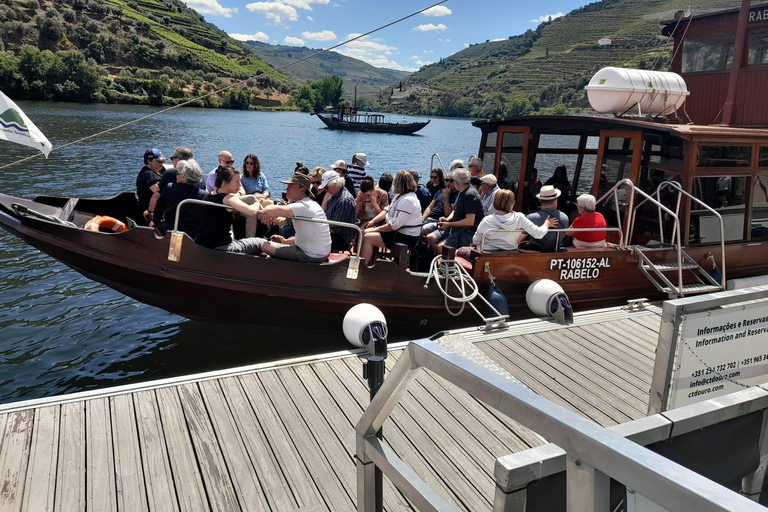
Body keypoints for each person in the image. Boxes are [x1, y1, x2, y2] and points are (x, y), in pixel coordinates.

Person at [256, 173, 332, 263]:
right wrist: (286, 241)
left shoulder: (303, 206)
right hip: (321, 253)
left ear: (302, 190)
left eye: (291, 186)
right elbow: (309, 236)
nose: (287, 189)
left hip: (311, 255)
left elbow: (269, 209)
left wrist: (269, 213)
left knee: (263, 245)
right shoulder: (310, 204)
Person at [359, 170, 422, 266]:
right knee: (365, 231)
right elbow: (386, 210)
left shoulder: (408, 201)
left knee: (368, 237)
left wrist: (376, 229)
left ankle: (361, 267)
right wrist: (372, 222)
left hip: (404, 236)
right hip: (397, 231)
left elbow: (394, 225)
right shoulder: (399, 197)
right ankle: (368, 264)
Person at [195, 166, 263, 254]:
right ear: (224, 183)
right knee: (261, 243)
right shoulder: (228, 199)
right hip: (223, 247)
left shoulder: (209, 195)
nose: (239, 185)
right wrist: (258, 203)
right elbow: (251, 211)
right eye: (237, 182)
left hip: (203, 244)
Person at [467, 189, 557, 253]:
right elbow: (539, 234)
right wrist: (547, 224)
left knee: (460, 251)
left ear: (494, 203)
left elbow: (476, 240)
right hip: (510, 253)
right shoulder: (520, 218)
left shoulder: (487, 220)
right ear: (512, 203)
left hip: (487, 255)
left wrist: (473, 244)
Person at [426, 169, 484, 253]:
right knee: (430, 238)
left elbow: (470, 221)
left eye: (452, 180)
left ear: (457, 182)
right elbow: (455, 210)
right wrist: (447, 219)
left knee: (440, 248)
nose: (451, 183)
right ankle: (442, 258)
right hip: (454, 227)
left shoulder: (469, 195)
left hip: (465, 231)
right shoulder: (461, 191)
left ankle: (445, 260)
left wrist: (449, 224)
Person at [153, 158, 206, 237]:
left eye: (177, 172)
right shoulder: (204, 195)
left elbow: (158, 211)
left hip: (170, 230)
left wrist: (157, 223)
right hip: (193, 234)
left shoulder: (169, 188)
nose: (175, 174)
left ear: (184, 177)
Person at [146, 146, 195, 222]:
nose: (172, 161)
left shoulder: (171, 174)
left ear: (178, 159)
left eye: (172, 159)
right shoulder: (197, 175)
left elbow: (157, 197)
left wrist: (150, 212)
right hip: (193, 218)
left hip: (174, 219)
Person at [520, 185, 570, 251]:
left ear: (539, 200)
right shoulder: (565, 217)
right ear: (555, 201)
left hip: (533, 255)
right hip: (555, 252)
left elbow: (520, 239)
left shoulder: (531, 218)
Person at [319, 171, 358, 251]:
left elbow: (336, 228)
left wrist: (318, 232)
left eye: (326, 187)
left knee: (312, 239)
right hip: (331, 232)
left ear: (335, 184)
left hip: (341, 238)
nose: (325, 190)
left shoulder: (344, 200)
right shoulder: (333, 197)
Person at [136, 148, 166, 225]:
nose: (161, 163)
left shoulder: (159, 170)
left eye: (162, 161)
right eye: (159, 161)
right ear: (149, 161)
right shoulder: (148, 174)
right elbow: (157, 191)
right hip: (150, 212)